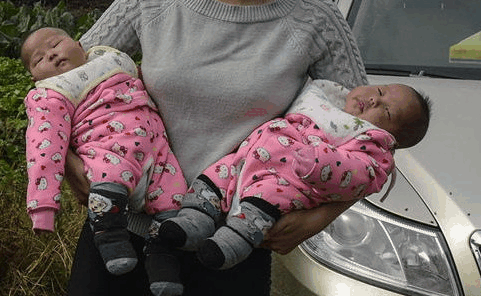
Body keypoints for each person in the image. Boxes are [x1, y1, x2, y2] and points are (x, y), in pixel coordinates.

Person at [67, 0, 367, 296]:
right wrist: (71, 168)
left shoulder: (314, 20)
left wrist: (317, 218)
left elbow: (368, 137)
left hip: (231, 251)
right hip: (120, 242)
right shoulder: (151, 0)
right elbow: (63, 90)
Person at [158, 79, 431, 271]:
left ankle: (229, 245)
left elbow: (358, 174)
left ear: (391, 137)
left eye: (385, 110)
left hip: (285, 181)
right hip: (245, 156)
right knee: (214, 178)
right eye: (380, 91)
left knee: (258, 208)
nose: (374, 99)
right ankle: (192, 221)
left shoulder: (370, 143)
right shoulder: (328, 97)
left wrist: (318, 162)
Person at [21, 27, 189, 296]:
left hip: (157, 152)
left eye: (56, 44)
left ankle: (162, 262)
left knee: (174, 202)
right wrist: (43, 206)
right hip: (108, 150)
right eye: (39, 59)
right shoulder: (51, 94)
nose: (51, 54)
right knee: (110, 184)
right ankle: (110, 240)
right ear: (33, 76)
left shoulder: (110, 60)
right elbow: (43, 148)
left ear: (79, 43)